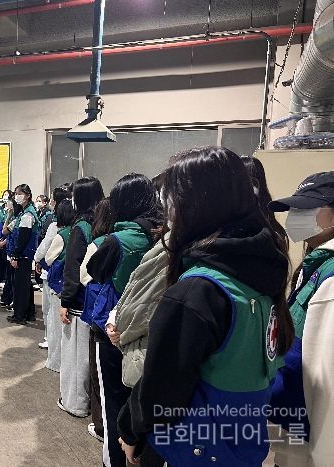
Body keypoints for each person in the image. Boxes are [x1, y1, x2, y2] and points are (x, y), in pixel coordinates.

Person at [117, 147, 293, 467]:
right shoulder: (264, 269)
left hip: (194, 445)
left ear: (195, 204)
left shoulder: (196, 291)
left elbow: (162, 390)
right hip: (243, 439)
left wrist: (131, 431)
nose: (166, 207)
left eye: (171, 197)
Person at [86, 174, 160, 467]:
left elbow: (94, 271)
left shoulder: (116, 241)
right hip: (150, 333)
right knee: (141, 402)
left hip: (113, 329)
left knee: (113, 403)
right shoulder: (163, 238)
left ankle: (114, 461)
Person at [267, 172, 334, 467]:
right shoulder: (317, 264)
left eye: (307, 209)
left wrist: (324, 456)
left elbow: (328, 378)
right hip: (295, 423)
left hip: (313, 438)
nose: (295, 217)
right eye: (294, 209)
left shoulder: (331, 278)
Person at [58, 176, 104, 418]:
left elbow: (72, 267)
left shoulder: (81, 227)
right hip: (98, 299)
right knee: (91, 358)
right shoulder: (105, 223)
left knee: (75, 355)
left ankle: (75, 403)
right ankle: (91, 405)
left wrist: (65, 301)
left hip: (79, 301)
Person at [79, 197, 112, 443]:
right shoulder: (148, 240)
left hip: (100, 314)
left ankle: (101, 425)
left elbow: (83, 275)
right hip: (123, 317)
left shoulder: (102, 243)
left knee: (99, 371)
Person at [34, 184, 72, 349]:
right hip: (65, 274)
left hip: (52, 272)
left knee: (49, 309)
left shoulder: (54, 225)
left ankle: (50, 339)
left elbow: (45, 248)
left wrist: (37, 260)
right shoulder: (75, 225)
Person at [45, 198, 75, 372]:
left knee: (56, 328)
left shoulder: (62, 234)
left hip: (59, 286)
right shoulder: (83, 230)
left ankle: (55, 363)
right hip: (74, 288)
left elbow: (49, 258)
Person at [6, 184, 40, 324]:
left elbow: (23, 237)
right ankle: (29, 313)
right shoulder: (24, 212)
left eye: (19, 193)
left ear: (27, 196)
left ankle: (19, 315)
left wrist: (16, 255)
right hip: (25, 254)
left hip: (24, 254)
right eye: (15, 193)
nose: (16, 196)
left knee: (21, 286)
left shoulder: (27, 215)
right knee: (26, 285)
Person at [0, 195, 18, 309]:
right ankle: (7, 299)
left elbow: (4, 231)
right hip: (10, 250)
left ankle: (12, 301)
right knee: (9, 278)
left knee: (13, 279)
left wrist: (8, 216)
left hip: (14, 252)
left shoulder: (16, 218)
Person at [0, 190, 13, 289]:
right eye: (4, 195)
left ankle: (5, 279)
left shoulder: (12, 211)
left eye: (7, 195)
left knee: (6, 260)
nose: (5, 197)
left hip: (6, 239)